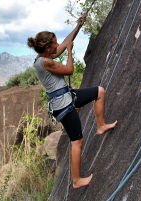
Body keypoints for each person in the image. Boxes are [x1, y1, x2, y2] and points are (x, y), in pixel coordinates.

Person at [27, 15, 117, 188]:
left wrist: (78, 26)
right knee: (77, 141)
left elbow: (63, 43)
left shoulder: (43, 58)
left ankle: (101, 126)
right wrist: (69, 51)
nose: (57, 44)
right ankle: (76, 181)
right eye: (54, 43)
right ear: (47, 48)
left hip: (69, 97)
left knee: (99, 92)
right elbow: (69, 70)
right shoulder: (45, 62)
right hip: (64, 106)